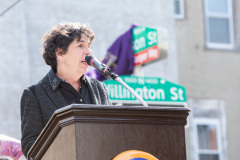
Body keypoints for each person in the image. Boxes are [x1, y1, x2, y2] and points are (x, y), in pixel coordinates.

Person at [20, 22, 111, 158]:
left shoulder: (100, 88)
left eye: (89, 46)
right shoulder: (34, 94)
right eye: (80, 45)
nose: (89, 52)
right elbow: (30, 146)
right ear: (60, 52)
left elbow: (111, 133)